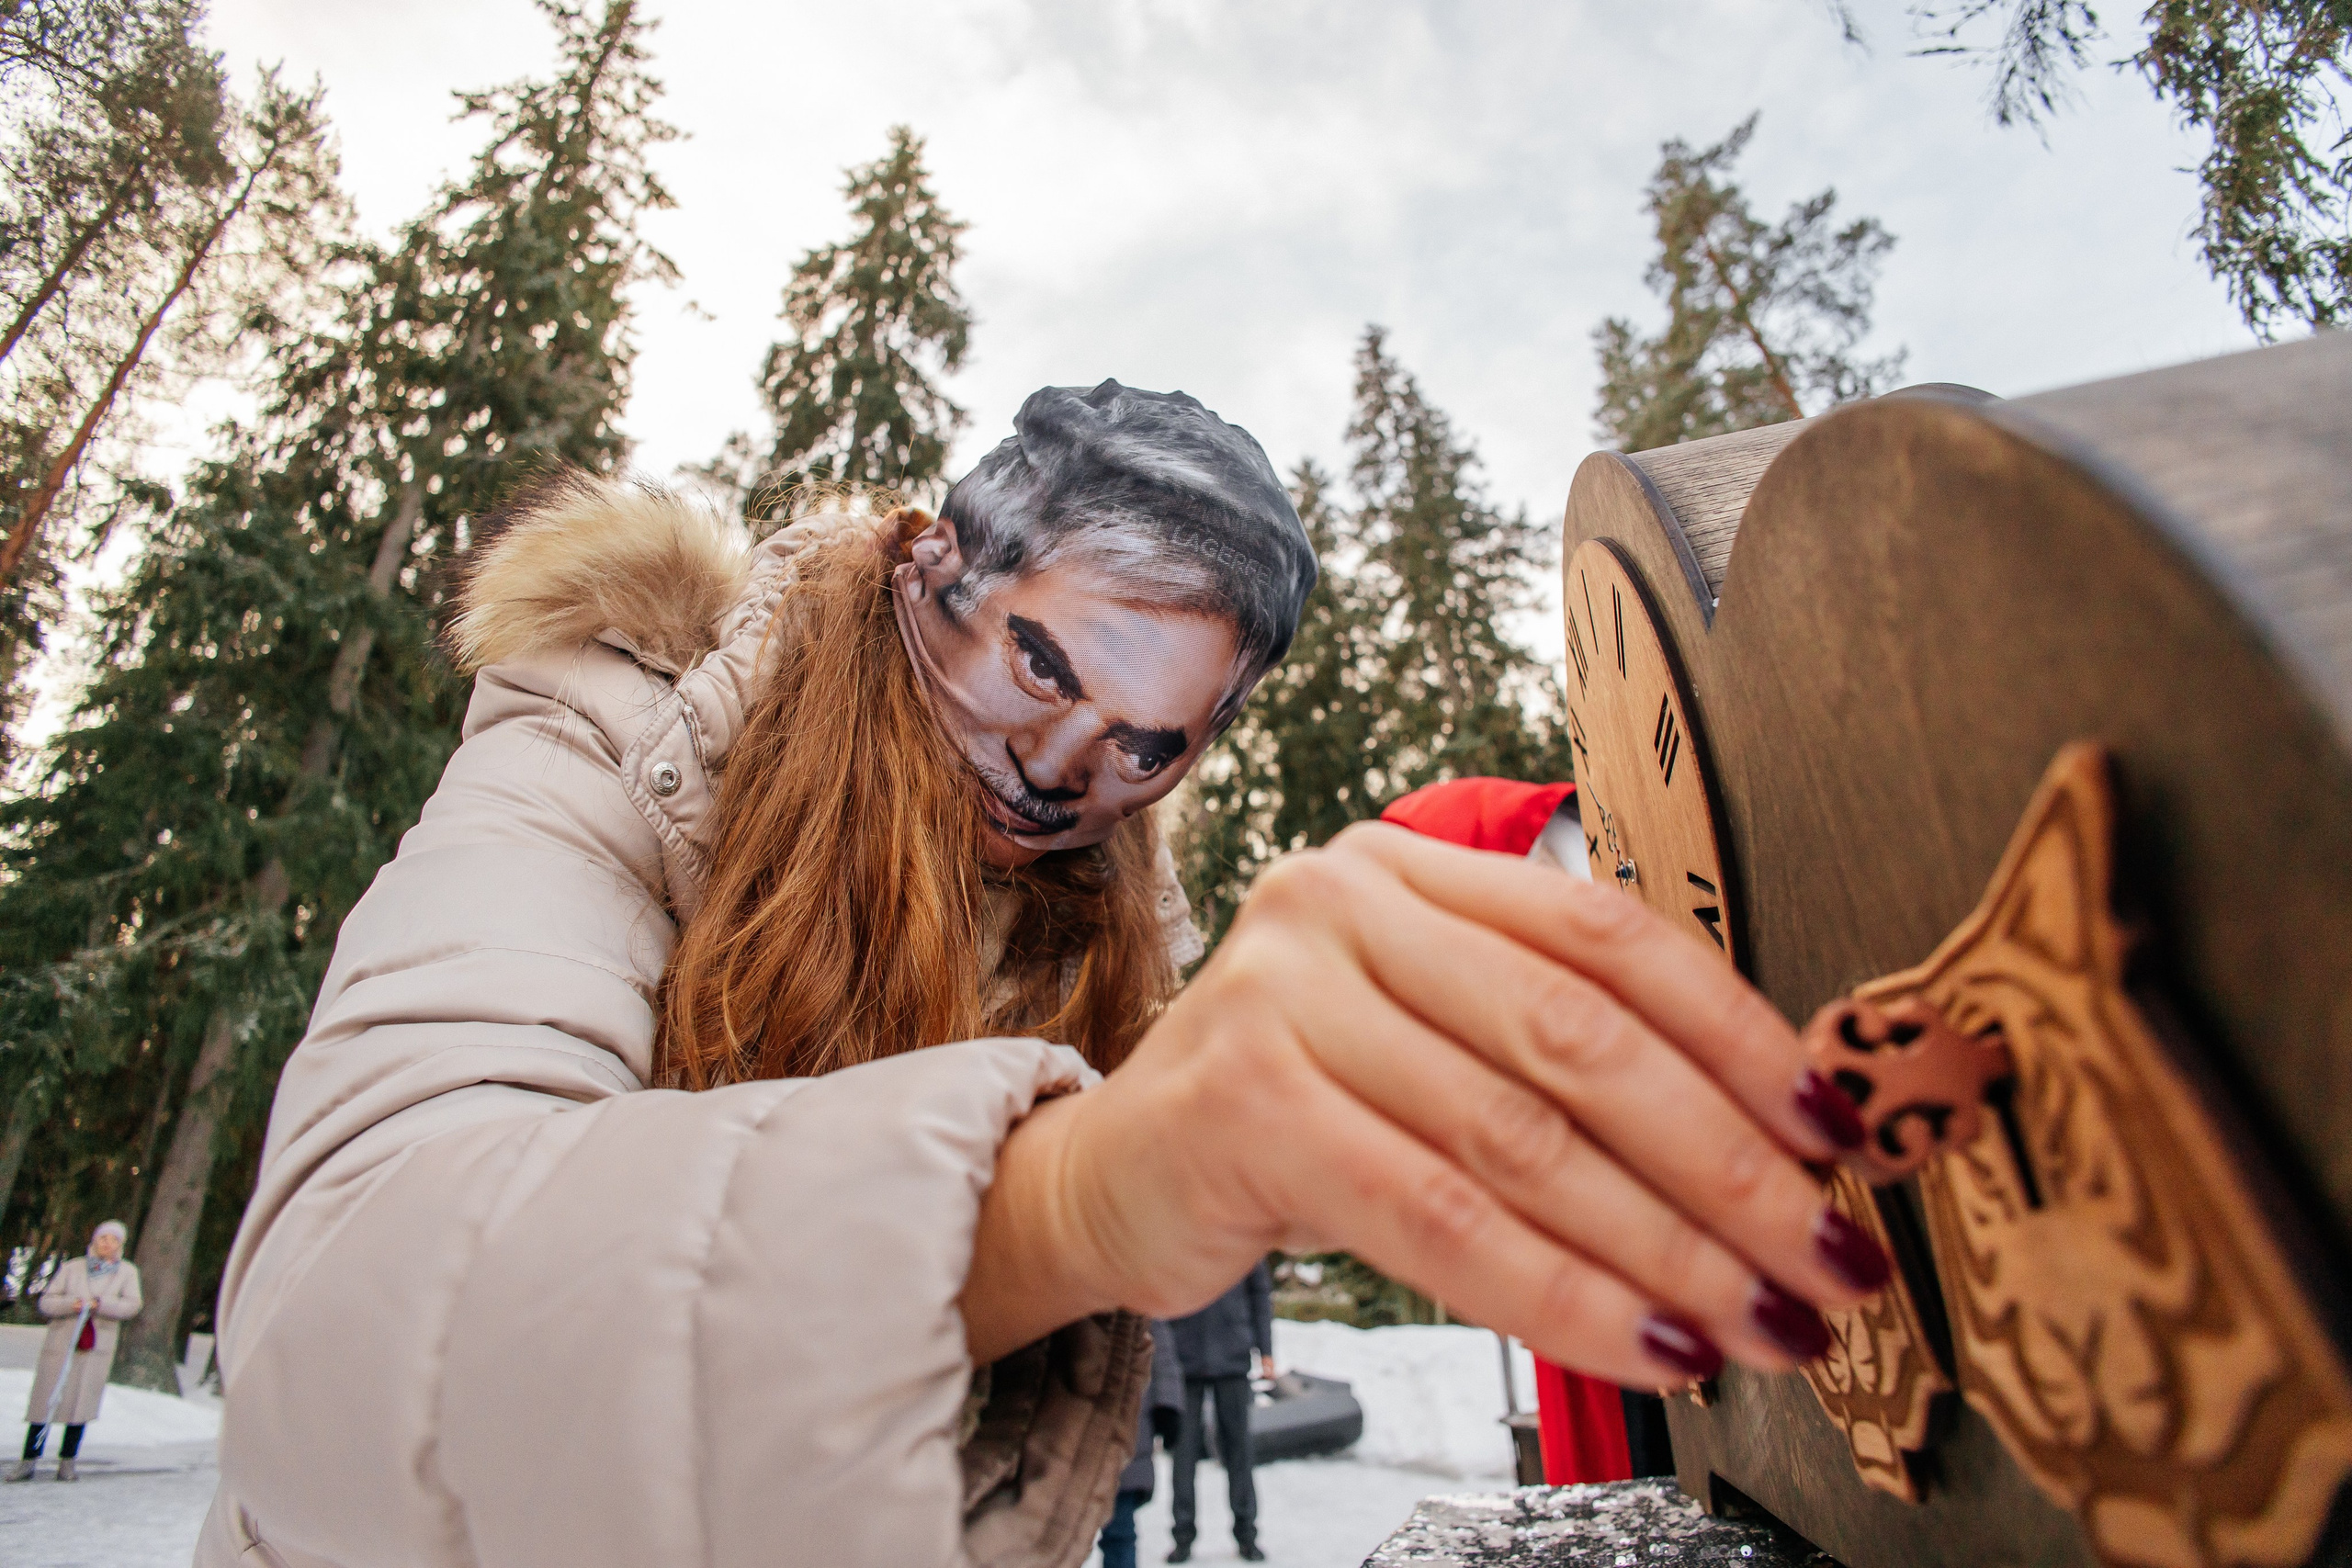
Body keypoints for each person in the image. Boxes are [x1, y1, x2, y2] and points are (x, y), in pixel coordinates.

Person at [198, 380, 1888, 1568]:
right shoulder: (610, 728)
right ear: (936, 558)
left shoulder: (1090, 932)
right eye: (1038, 661)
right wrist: (1065, 1199)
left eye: (1143, 741)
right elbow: (334, 1334)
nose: (1060, 764)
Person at [10, 1220, 141, 1483]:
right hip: (62, 1345)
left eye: (113, 1240)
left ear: (120, 1245)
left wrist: (101, 1304)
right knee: (45, 1402)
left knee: (80, 1404)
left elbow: (132, 1305)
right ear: (94, 1240)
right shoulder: (72, 1268)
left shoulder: (126, 1272)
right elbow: (47, 1302)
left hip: (95, 1347)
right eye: (103, 1238)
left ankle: (67, 1461)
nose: (107, 1244)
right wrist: (73, 1304)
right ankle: (28, 1459)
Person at [1168, 1259, 1275, 1562]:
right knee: (1183, 1453)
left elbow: (1259, 1295)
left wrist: (1265, 1351)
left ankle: (1246, 1534)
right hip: (1185, 1360)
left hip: (1233, 1359)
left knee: (1239, 1451)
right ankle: (1183, 1535)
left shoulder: (1247, 1235)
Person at [1099, 1320, 1183, 1568]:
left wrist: (1167, 1405)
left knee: (1120, 1531)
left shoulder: (1138, 1297)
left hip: (1125, 1427)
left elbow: (1161, 1348)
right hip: (1062, 1428)